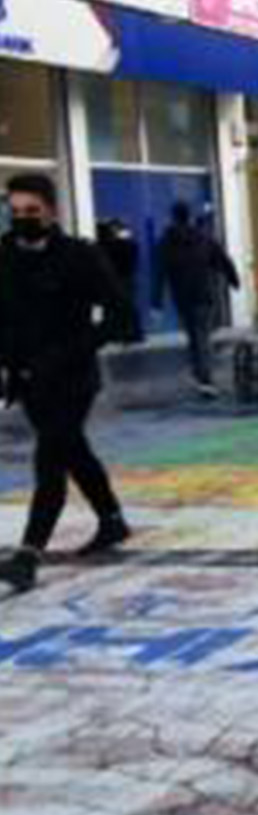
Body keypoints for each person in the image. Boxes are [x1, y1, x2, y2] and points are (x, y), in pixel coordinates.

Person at [0, 174, 138, 592]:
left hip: (73, 378)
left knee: (51, 457)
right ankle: (112, 520)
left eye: (32, 211)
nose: (22, 218)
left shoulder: (80, 256)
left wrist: (76, 348)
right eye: (15, 210)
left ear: (52, 211)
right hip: (27, 381)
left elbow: (122, 317)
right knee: (72, 449)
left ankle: (28, 555)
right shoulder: (3, 254)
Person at [152, 201, 239, 398]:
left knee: (194, 336)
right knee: (202, 337)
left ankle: (200, 375)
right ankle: (205, 379)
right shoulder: (203, 238)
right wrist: (234, 280)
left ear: (173, 217)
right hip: (204, 294)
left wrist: (156, 302)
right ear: (189, 216)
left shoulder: (166, 242)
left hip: (182, 298)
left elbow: (159, 273)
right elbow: (222, 260)